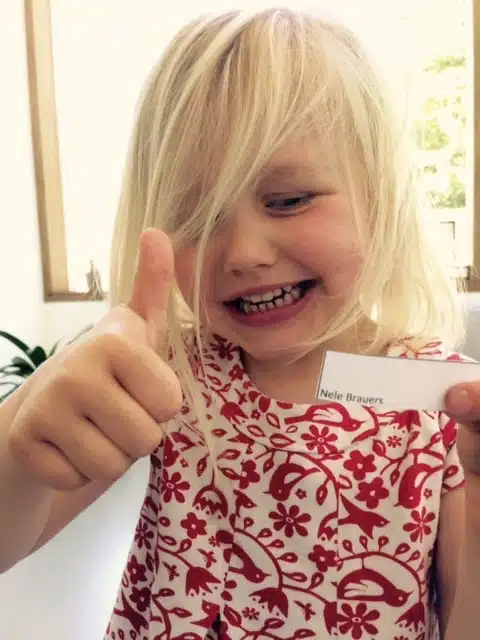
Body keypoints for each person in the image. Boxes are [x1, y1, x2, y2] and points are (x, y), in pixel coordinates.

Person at [0, 6, 479, 639]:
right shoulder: (171, 377)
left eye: (289, 200)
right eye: (196, 218)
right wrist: (22, 450)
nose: (243, 253)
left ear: (379, 195)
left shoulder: (441, 406)